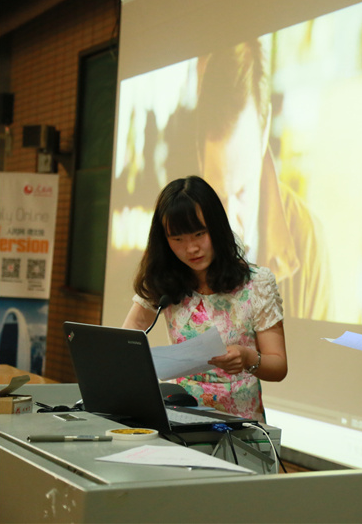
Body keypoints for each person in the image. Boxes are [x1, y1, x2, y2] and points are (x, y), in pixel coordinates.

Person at [122, 176, 287, 423]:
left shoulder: (256, 283)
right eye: (177, 239)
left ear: (217, 227)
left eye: (199, 234)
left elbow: (278, 365)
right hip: (181, 420)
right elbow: (127, 336)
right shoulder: (164, 281)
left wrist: (248, 357)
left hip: (240, 428)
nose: (191, 248)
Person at [194, 38, 331, 321]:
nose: (228, 221)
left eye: (243, 192)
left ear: (265, 128)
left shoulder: (307, 239)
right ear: (199, 155)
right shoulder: (175, 229)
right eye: (217, 197)